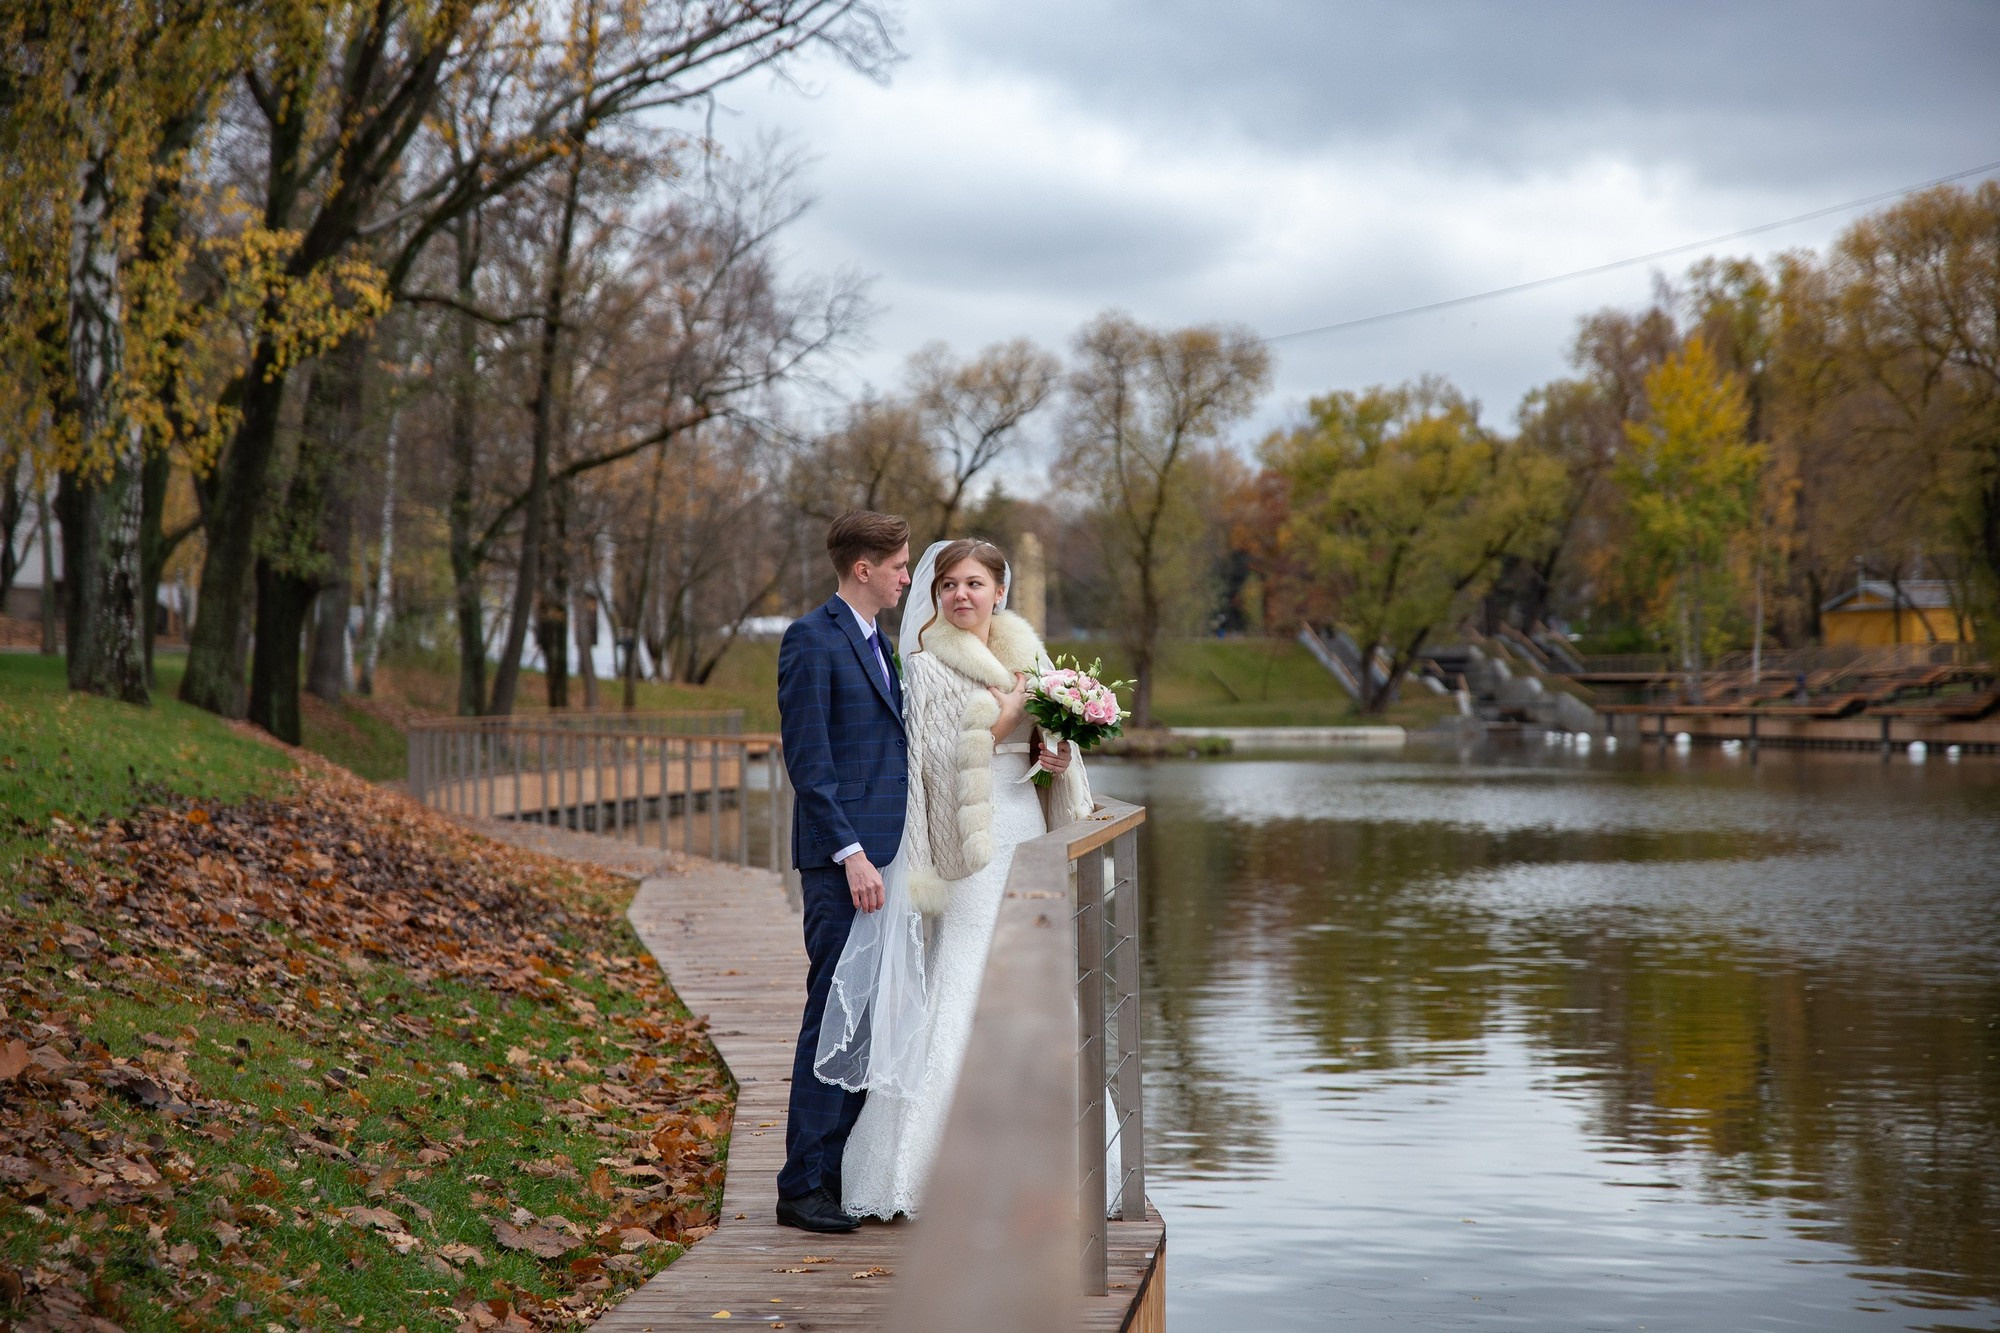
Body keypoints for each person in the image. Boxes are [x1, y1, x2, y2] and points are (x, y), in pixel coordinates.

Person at [822, 537, 1094, 1221]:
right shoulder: (926, 664)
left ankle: (1046, 1159)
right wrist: (1016, 706)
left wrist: (1055, 751)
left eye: (974, 583)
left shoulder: (1027, 654)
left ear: (999, 591)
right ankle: (927, 1163)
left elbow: (1048, 749)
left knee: (1032, 980)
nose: (961, 595)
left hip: (1023, 830)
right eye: (948, 585)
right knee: (966, 972)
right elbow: (942, 759)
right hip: (967, 848)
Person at [773, 511, 912, 1233]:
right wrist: (850, 853)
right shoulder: (809, 639)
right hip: (842, 865)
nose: (906, 577)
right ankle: (799, 1185)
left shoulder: (880, 642)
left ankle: (833, 1174)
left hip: (885, 860)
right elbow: (810, 764)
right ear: (864, 568)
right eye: (898, 566)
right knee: (829, 1014)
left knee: (859, 1021)